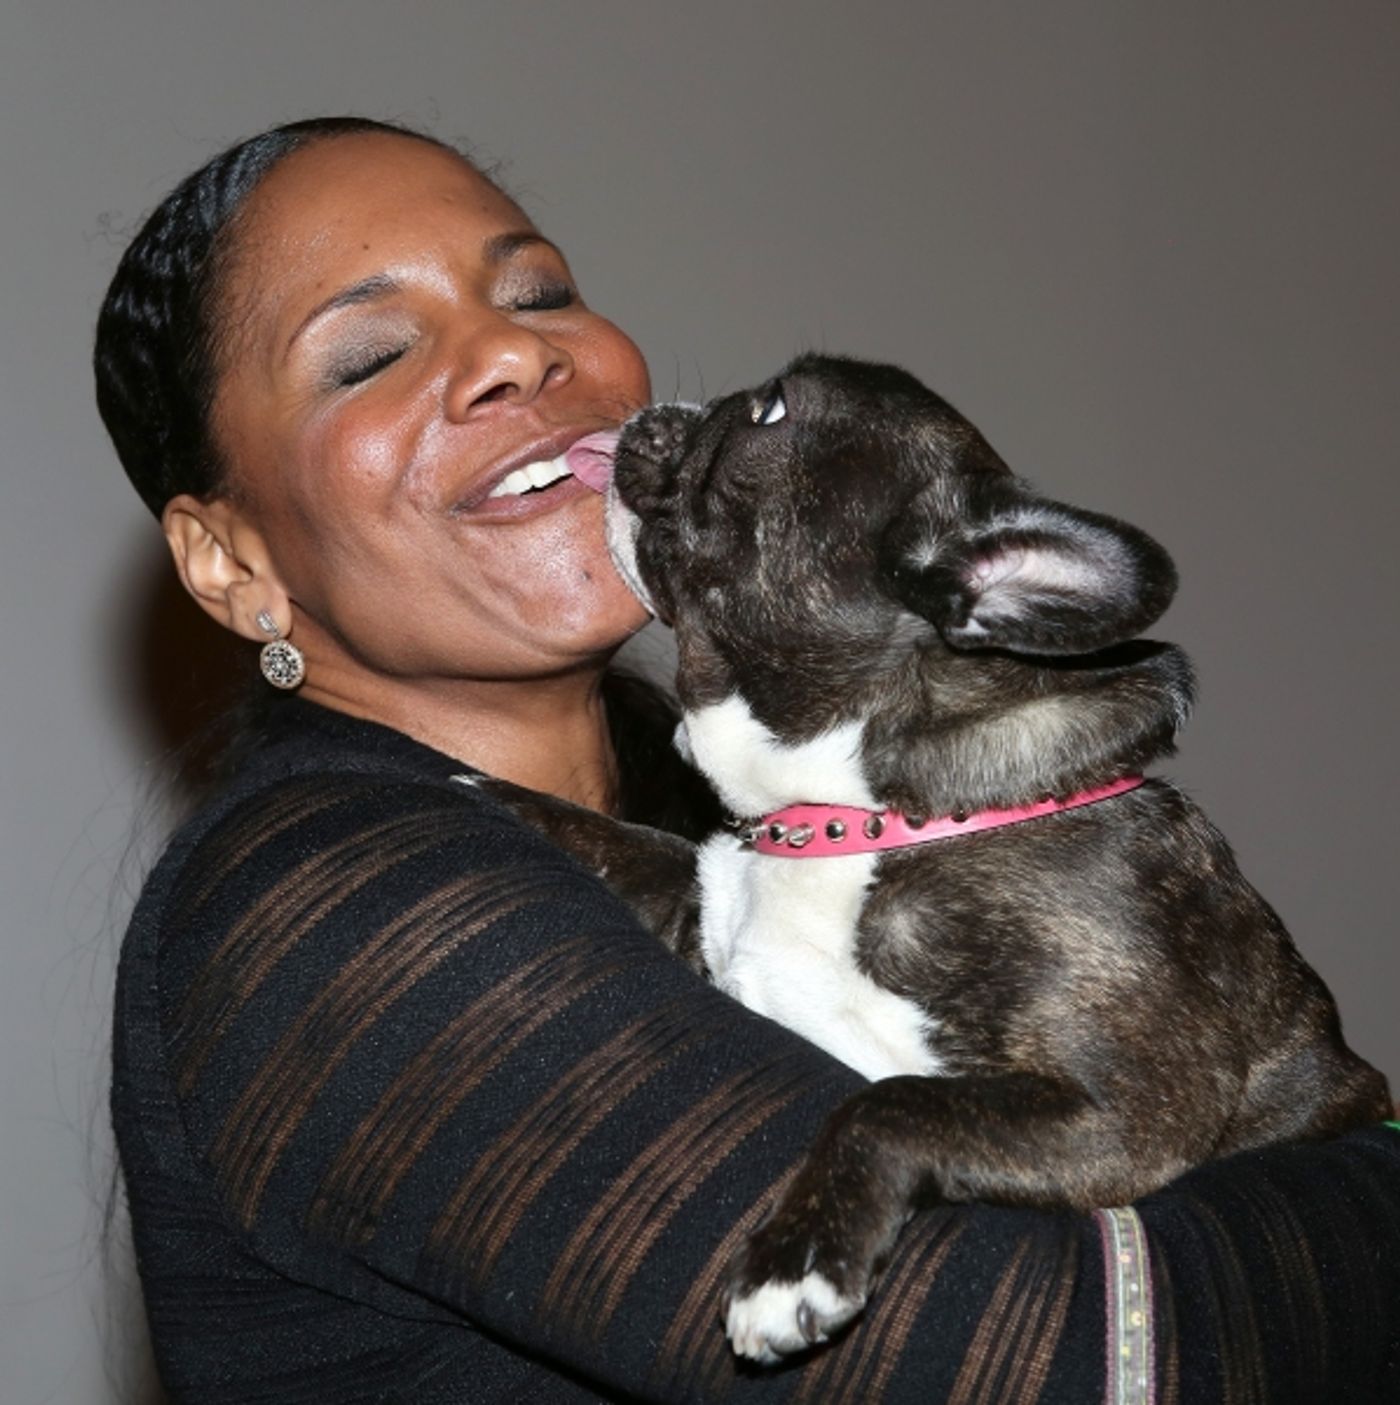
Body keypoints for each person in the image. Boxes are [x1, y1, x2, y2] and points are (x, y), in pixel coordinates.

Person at [98, 117, 1400, 1404]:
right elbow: (1068, 1353)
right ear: (232, 560)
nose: (509, 350)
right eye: (369, 353)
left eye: (539, 292)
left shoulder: (756, 836)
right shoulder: (340, 910)